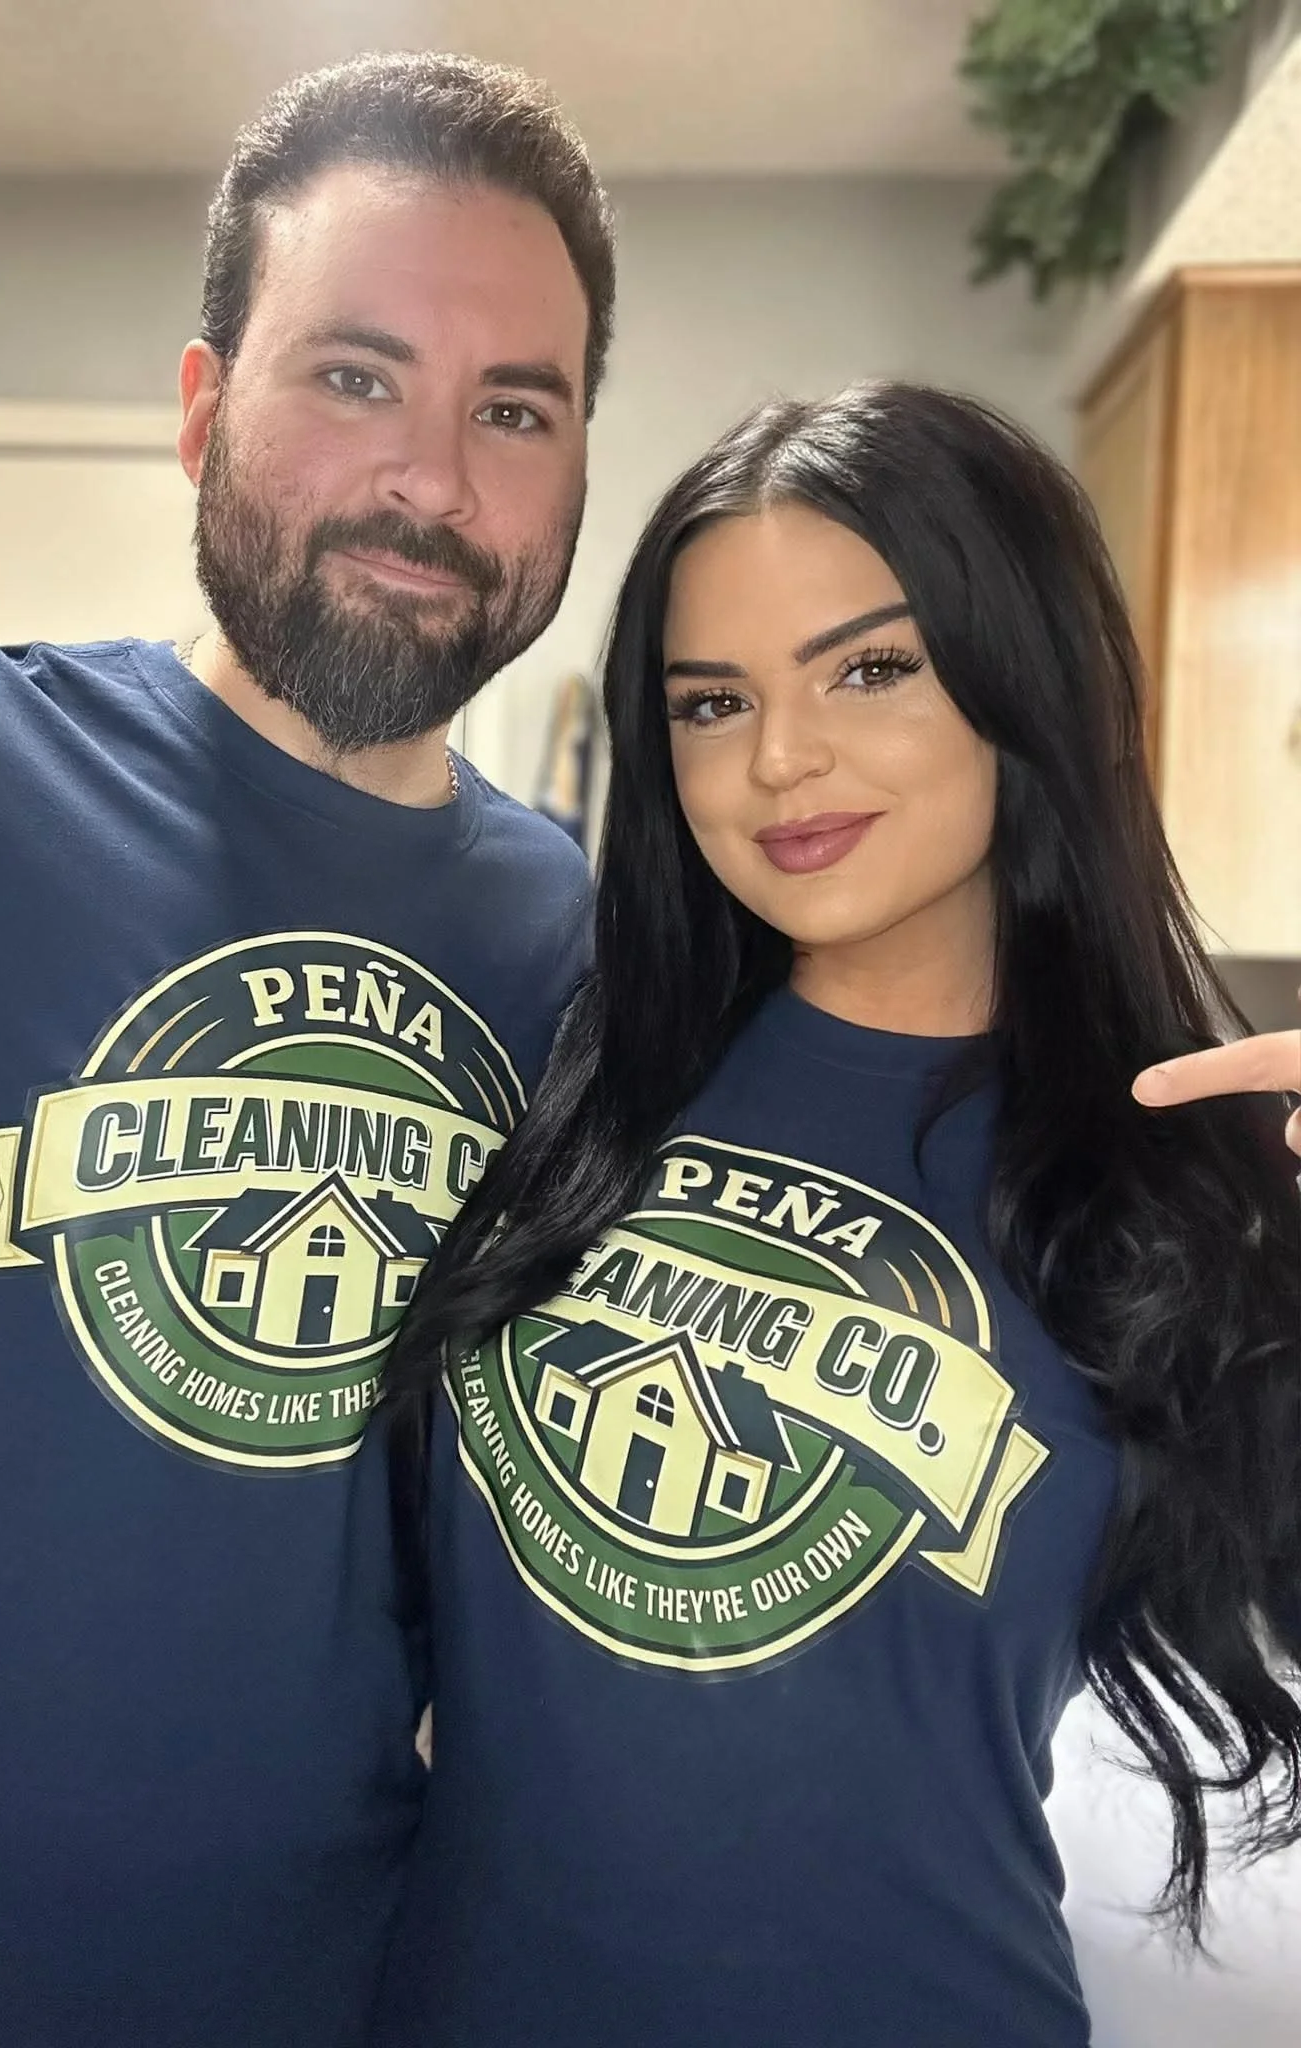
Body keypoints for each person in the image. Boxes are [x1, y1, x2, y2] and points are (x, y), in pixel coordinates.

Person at [0, 52, 612, 2047]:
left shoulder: (590, 947)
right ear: (200, 406)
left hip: (323, 1973)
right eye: (354, 375)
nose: (432, 477)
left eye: (515, 408)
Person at [375, 385, 1301, 2048]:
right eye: (711, 702)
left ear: (1027, 681)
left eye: (870, 669)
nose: (779, 761)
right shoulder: (569, 1069)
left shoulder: (1192, 1177)